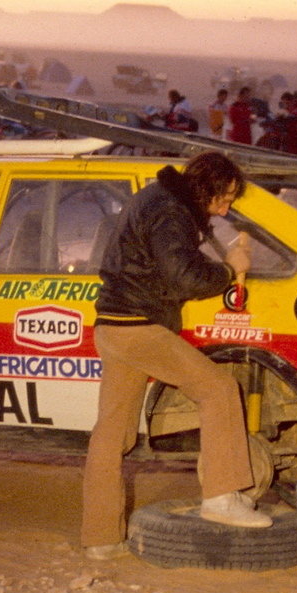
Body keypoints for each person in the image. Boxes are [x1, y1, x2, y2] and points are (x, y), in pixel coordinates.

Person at [82, 152, 268, 558]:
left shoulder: (155, 198)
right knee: (219, 388)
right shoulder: (171, 211)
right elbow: (183, 276)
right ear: (204, 187)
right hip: (138, 326)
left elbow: (164, 261)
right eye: (223, 198)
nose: (226, 208)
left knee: (112, 436)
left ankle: (100, 537)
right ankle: (221, 499)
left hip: (113, 325)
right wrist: (228, 267)